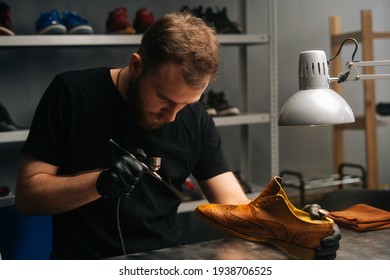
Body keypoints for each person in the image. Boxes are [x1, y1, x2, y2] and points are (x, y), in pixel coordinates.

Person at [15, 12, 340, 260]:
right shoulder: (71, 93)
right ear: (137, 65)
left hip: (167, 261)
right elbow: (28, 197)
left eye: (187, 103)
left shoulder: (193, 117)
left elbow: (237, 209)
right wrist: (99, 183)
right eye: (165, 99)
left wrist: (299, 228)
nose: (172, 115)